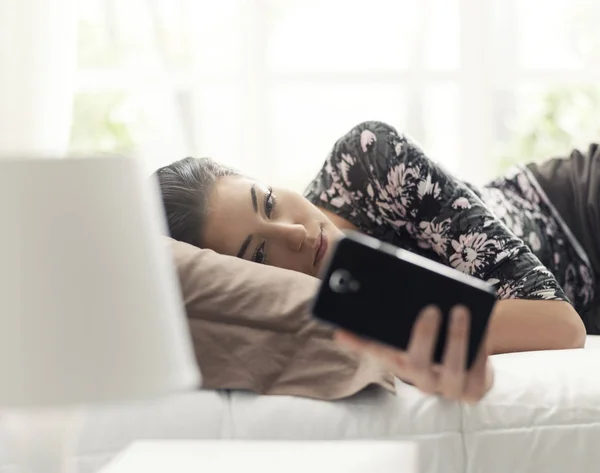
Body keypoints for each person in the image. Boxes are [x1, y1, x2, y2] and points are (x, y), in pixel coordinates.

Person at [155, 121, 591, 402]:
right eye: (261, 253)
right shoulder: (316, 316)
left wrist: (401, 329)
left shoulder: (369, 160)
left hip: (578, 211)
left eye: (268, 202)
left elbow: (561, 324)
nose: (297, 234)